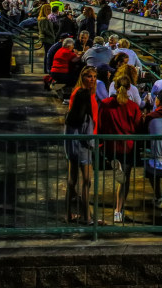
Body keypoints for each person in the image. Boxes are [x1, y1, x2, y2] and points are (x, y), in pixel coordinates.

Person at [97, 73, 141, 223]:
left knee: (121, 176)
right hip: (127, 145)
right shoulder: (133, 106)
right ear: (130, 88)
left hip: (111, 144)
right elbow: (137, 126)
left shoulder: (105, 104)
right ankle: (118, 210)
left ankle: (115, 163)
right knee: (125, 181)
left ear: (114, 87)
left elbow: (100, 125)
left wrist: (101, 144)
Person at [64, 66, 98, 225]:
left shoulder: (76, 93)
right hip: (84, 142)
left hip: (72, 141)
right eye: (89, 76)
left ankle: (69, 214)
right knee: (86, 180)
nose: (92, 79)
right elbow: (89, 122)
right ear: (83, 77)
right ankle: (87, 218)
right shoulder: (85, 95)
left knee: (73, 180)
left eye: (94, 76)